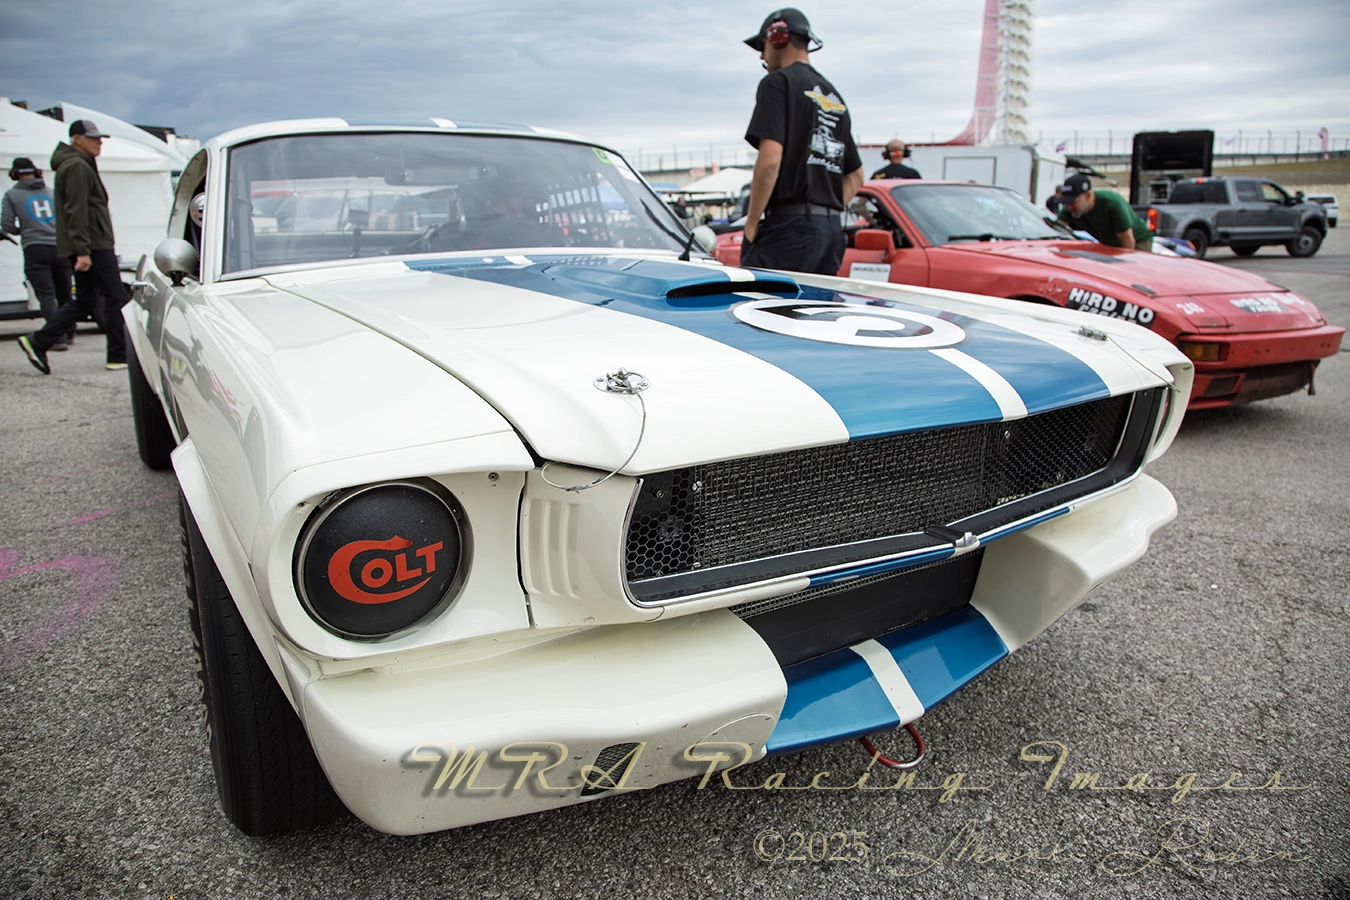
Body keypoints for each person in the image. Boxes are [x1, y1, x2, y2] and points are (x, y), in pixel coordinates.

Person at [740, 8, 863, 275]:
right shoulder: (834, 96)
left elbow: (770, 160)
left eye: (762, 46)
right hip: (830, 233)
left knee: (762, 299)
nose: (761, 56)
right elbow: (856, 175)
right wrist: (825, 211)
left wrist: (751, 223)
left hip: (788, 228)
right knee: (816, 301)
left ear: (778, 38)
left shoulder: (777, 83)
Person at [17, 120, 131, 374]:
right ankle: (118, 355)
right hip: (93, 244)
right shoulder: (77, 166)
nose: (99, 142)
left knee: (86, 298)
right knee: (116, 297)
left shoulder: (78, 163)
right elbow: (76, 210)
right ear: (77, 139)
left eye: (100, 138)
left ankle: (39, 341)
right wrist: (82, 251)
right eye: (93, 138)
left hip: (89, 243)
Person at [3, 158, 74, 349]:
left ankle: (57, 337)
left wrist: (24, 230)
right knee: (65, 293)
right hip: (61, 247)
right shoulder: (52, 192)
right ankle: (70, 332)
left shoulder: (12, 195)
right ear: (37, 172)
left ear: (14, 175)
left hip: (35, 248)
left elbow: (7, 225)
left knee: (46, 295)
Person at [1056, 172, 1152, 251]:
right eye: (1066, 202)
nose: (1069, 207)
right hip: (1109, 243)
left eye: (1072, 202)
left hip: (1136, 240)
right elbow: (1057, 229)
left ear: (1088, 196)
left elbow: (1127, 239)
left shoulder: (1111, 203)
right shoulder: (1070, 208)